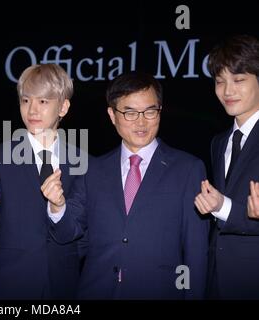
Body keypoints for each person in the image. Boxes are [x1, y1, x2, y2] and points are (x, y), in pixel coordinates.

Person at [43, 71, 209, 299]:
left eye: (150, 111)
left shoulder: (188, 169)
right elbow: (68, 235)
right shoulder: (92, 170)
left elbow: (196, 253)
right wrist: (57, 206)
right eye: (129, 113)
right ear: (112, 115)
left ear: (160, 111)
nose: (141, 122)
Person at [0, 63, 85, 299]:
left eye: (43, 101)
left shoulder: (84, 164)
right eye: (25, 100)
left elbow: (79, 236)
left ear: (63, 107)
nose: (32, 109)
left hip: (62, 288)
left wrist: (58, 207)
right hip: (7, 287)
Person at [194, 34, 259, 299]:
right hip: (216, 282)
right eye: (220, 81)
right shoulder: (219, 143)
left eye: (239, 80)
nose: (228, 91)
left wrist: (222, 207)